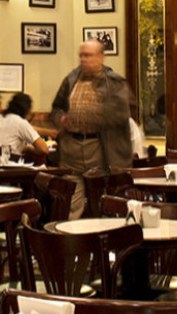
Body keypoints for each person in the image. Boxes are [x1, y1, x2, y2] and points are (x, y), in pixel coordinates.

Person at [51, 39, 132, 219]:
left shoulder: (114, 82)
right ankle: (72, 242)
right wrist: (61, 119)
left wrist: (90, 114)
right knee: (71, 205)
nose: (83, 59)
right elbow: (56, 108)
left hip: (99, 148)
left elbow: (120, 114)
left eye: (88, 55)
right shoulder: (71, 79)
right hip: (71, 148)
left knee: (102, 203)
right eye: (81, 55)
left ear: (101, 57)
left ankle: (100, 241)